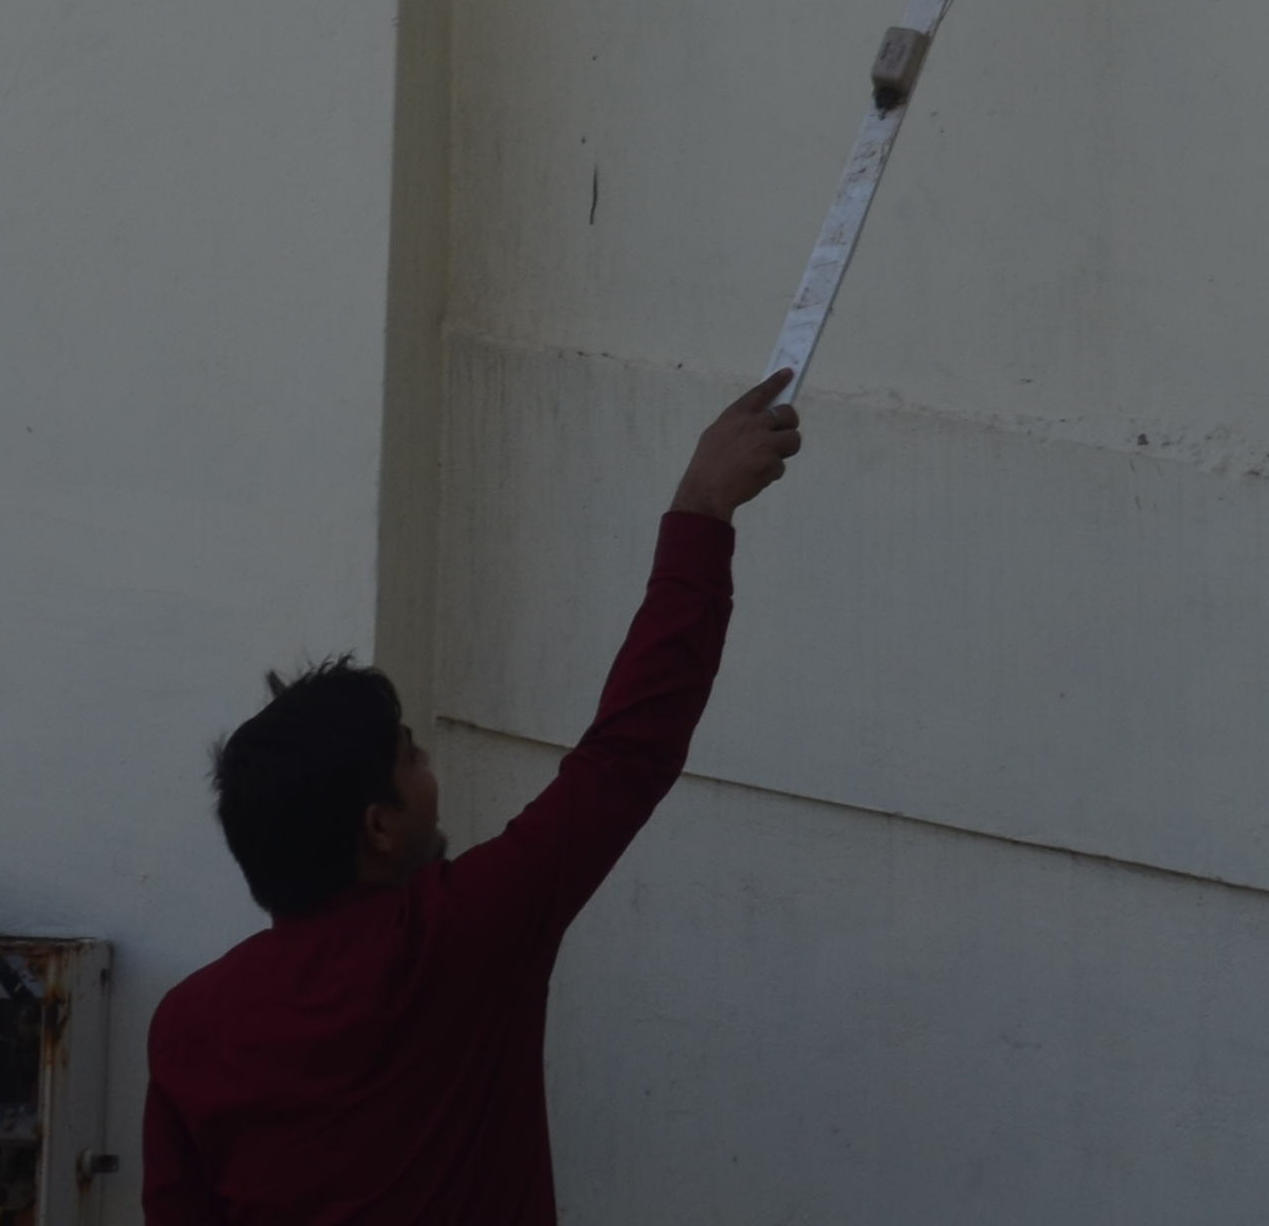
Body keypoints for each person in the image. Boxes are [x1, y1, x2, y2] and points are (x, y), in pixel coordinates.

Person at [142, 371, 803, 1226]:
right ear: (378, 827)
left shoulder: (189, 1024)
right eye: (411, 756)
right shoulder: (461, 936)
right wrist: (701, 508)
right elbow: (628, 751)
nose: (432, 769)